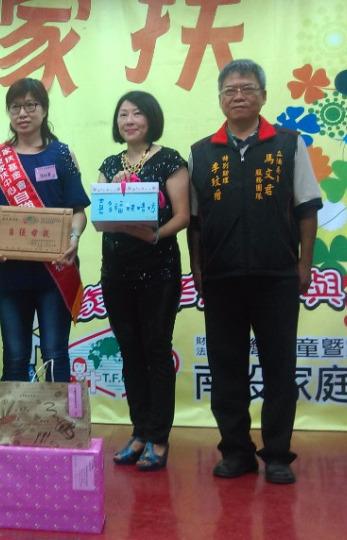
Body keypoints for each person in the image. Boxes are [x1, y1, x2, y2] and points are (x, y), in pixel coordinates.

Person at [187, 59, 322, 484]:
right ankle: (236, 452)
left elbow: (307, 210)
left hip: (276, 277)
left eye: (247, 88)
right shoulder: (201, 152)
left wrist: (303, 265)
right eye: (230, 90)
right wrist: (197, 269)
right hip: (221, 278)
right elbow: (194, 222)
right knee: (226, 370)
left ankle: (278, 454)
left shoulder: (289, 144)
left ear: (263, 95)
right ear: (220, 99)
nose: (239, 96)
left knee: (279, 369)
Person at [98, 91, 189, 471]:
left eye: (137, 114)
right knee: (130, 352)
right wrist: (116, 189)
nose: (129, 120)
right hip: (116, 272)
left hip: (158, 270)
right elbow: (102, 217)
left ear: (151, 118)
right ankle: (139, 432)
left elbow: (182, 215)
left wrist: (154, 236)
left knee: (155, 349)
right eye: (123, 114)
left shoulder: (170, 160)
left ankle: (158, 437)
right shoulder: (109, 164)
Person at [0, 78, 89, 384]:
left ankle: (58, 416)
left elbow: (78, 211)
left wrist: (74, 239)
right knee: (15, 354)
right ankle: (16, 416)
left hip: (56, 269)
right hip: (11, 271)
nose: (23, 113)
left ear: (44, 109)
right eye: (15, 107)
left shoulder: (62, 154)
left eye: (30, 105)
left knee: (55, 352)